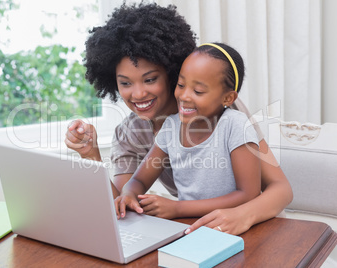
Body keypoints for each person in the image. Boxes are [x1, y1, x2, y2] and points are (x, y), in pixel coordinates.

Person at [64, 3, 293, 235]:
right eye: (125, 83)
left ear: (171, 72)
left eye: (150, 79)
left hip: (253, 226)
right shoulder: (133, 132)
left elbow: (279, 188)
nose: (138, 94)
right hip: (195, 228)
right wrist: (91, 156)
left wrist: (243, 214)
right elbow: (128, 206)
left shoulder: (222, 111)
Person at [114, 43, 261, 222]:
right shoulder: (170, 127)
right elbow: (140, 180)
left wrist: (178, 208)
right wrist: (130, 193)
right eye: (181, 85)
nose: (184, 96)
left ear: (227, 98)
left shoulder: (235, 125)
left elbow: (248, 194)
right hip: (191, 226)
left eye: (198, 91)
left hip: (236, 225)